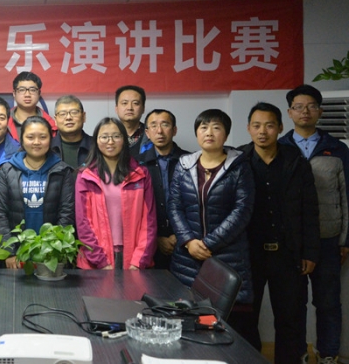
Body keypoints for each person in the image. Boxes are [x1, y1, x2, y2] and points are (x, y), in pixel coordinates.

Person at [239, 102, 320, 363]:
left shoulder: (296, 161)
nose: (263, 131)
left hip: (287, 254)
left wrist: (310, 252)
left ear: (281, 127)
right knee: (245, 319)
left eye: (269, 125)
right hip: (249, 255)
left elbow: (310, 209)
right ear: (249, 128)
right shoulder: (238, 161)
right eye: (257, 125)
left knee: (290, 320)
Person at [278, 84, 349, 364]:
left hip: (328, 238)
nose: (304, 111)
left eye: (311, 106)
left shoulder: (338, 149)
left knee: (328, 302)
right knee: (293, 304)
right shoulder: (280, 147)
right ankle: (298, 353)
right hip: (291, 240)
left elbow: (347, 196)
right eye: (298, 107)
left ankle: (328, 354)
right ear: (289, 112)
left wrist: (346, 239)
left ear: (320, 111)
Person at [167, 109, 254, 330]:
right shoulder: (184, 165)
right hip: (187, 257)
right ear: (197, 133)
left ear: (226, 134)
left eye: (216, 128)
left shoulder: (239, 167)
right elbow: (174, 205)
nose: (209, 133)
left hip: (227, 255)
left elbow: (242, 210)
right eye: (203, 127)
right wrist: (188, 241)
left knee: (226, 324)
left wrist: (208, 244)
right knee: (186, 320)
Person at [0, 116, 75, 269]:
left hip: (51, 256)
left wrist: (53, 250)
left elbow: (67, 213)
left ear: (50, 139)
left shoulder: (62, 171)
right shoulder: (8, 171)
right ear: (22, 140)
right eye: (30, 137)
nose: (36, 142)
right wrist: (9, 251)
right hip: (16, 256)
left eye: (42, 137)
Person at [75, 117, 156, 270]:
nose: (110, 142)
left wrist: (138, 261)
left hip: (133, 257)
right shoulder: (85, 176)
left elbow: (149, 222)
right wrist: (101, 262)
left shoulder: (140, 174)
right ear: (96, 141)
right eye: (104, 137)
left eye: (116, 136)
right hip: (96, 260)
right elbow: (83, 223)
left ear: (124, 140)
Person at [136, 109, 189, 269]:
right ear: (147, 132)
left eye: (165, 125)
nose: (159, 131)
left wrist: (180, 235)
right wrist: (156, 238)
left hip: (185, 241)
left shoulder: (189, 161)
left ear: (174, 130)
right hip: (148, 243)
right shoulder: (137, 165)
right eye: (153, 126)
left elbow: (195, 204)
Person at [6, 71, 57, 141]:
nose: (27, 95)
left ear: (39, 93)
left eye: (32, 90)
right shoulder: (3, 122)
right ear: (14, 93)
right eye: (22, 90)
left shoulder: (51, 125)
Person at [51, 95, 91, 169]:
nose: (68, 117)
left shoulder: (97, 146)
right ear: (55, 120)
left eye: (74, 112)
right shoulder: (47, 147)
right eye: (62, 114)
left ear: (83, 117)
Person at [115, 85, 151, 154]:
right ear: (116, 108)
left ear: (143, 108)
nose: (129, 108)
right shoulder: (106, 135)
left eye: (135, 103)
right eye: (124, 103)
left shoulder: (152, 135)